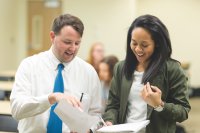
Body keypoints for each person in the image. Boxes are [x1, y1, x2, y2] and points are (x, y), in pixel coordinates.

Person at [10, 14, 102, 133]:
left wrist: (89, 129)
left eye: (77, 43)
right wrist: (50, 98)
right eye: (67, 42)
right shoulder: (29, 66)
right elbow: (17, 110)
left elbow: (97, 114)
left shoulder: (88, 72)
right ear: (52, 36)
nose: (73, 49)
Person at [103, 14, 191, 133]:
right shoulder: (121, 68)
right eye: (134, 43)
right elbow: (113, 105)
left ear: (157, 44)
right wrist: (109, 121)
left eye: (144, 45)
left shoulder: (172, 69)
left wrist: (159, 105)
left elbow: (183, 112)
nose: (138, 49)